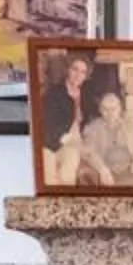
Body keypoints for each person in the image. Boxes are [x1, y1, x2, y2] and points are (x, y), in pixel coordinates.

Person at [40, 52, 94, 183]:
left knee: (69, 170)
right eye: (75, 69)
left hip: (73, 144)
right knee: (50, 178)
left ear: (86, 76)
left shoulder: (87, 95)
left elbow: (91, 121)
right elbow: (46, 124)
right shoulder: (53, 92)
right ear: (67, 69)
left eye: (83, 72)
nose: (78, 75)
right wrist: (66, 138)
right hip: (51, 142)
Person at [79, 86, 133, 187]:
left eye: (113, 109)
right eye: (105, 109)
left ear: (120, 109)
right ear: (100, 110)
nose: (110, 113)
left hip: (130, 170)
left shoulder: (130, 126)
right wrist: (102, 169)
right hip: (108, 172)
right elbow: (89, 152)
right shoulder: (92, 128)